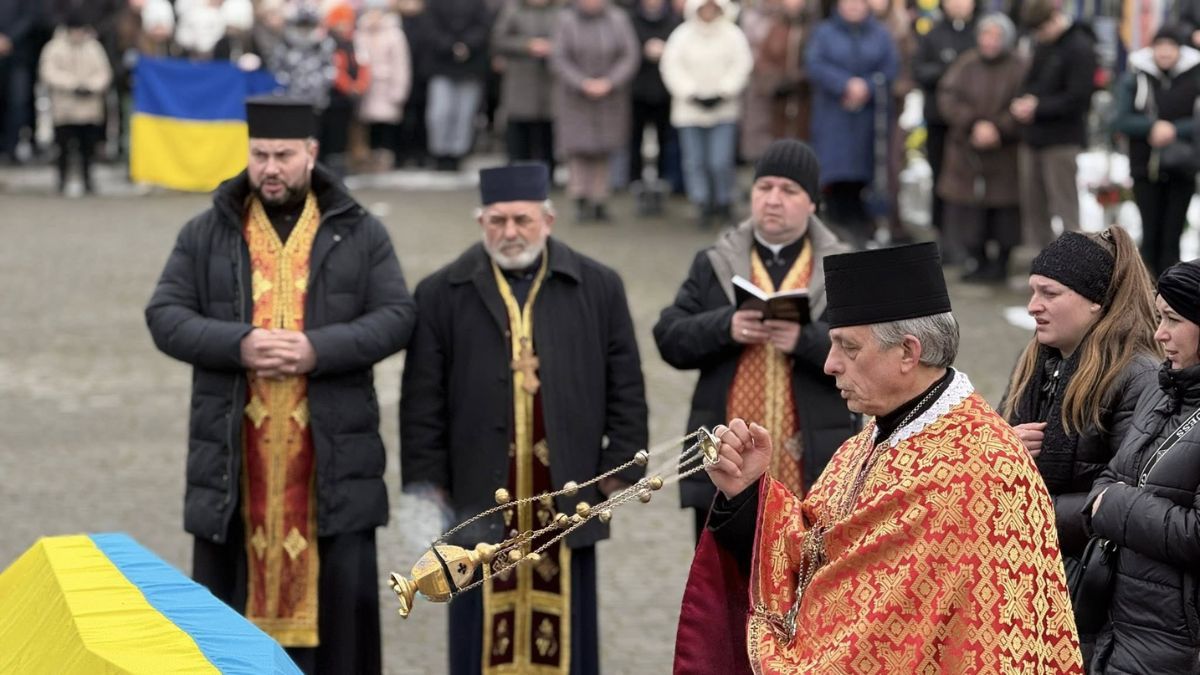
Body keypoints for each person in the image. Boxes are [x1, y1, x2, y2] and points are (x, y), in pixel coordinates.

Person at [673, 242, 1083, 673]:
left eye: (848, 348)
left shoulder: (981, 466)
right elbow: (814, 554)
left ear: (908, 352)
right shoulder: (870, 437)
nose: (830, 364)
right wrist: (747, 494)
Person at [145, 97, 416, 675]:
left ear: (311, 154)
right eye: (260, 155)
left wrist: (320, 349)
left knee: (340, 632)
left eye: (283, 156)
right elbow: (164, 315)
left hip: (333, 466)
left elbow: (397, 316)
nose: (270, 168)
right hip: (232, 471)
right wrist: (238, 344)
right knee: (228, 626)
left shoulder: (359, 231)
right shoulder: (208, 231)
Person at [401, 163, 648, 675]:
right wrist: (427, 484)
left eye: (522, 220)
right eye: (497, 221)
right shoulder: (441, 292)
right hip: (476, 492)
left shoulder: (599, 286)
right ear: (481, 222)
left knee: (567, 633)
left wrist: (622, 467)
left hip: (568, 489)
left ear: (548, 220)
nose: (509, 232)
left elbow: (626, 385)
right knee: (477, 630)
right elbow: (421, 401)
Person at [654, 139, 857, 541]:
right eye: (764, 187)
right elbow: (669, 337)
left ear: (812, 203)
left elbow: (868, 353)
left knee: (809, 574)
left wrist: (805, 339)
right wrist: (725, 327)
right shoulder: (715, 260)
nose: (773, 200)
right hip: (725, 458)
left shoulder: (843, 266)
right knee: (724, 572)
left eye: (789, 190)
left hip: (816, 458)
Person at [1001, 228, 1159, 656]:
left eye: (1050, 293)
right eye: (1033, 291)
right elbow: (996, 451)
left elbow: (1125, 497)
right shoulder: (1034, 362)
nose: (1033, 306)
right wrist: (1000, 448)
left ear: (1096, 301)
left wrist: (1030, 516)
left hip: (1095, 591)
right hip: (1032, 572)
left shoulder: (1138, 377)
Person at [1085, 259, 1200, 673]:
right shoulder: (1161, 388)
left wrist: (1115, 507)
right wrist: (1107, 499)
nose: (1159, 333)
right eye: (1158, 317)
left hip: (1176, 641)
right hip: (1118, 621)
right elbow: (1109, 477)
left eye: (1173, 319)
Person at [935, 11, 1025, 282]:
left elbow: (1023, 103)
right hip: (967, 150)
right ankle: (977, 259)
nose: (990, 41)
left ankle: (1002, 262)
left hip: (1006, 152)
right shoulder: (966, 64)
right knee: (970, 211)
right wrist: (973, 124)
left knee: (1005, 212)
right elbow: (948, 97)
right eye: (986, 34)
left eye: (997, 36)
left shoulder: (1020, 66)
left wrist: (999, 127)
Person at [805, 0, 898, 244]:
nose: (854, 6)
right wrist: (844, 84)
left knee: (865, 168)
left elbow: (890, 67)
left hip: (868, 117)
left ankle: (863, 225)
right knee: (836, 169)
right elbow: (815, 65)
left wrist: (867, 86)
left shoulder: (880, 34)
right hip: (833, 114)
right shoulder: (824, 33)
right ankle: (838, 223)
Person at [1112, 26, 1200, 278]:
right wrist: (1151, 127)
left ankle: (1171, 290)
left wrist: (1173, 130)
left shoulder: (1194, 77)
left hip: (1182, 166)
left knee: (1173, 235)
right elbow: (1120, 119)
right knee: (1150, 234)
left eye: (1170, 46)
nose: (1165, 52)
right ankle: (1146, 288)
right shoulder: (1135, 77)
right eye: (1160, 45)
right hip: (1145, 166)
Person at [659, 0, 753, 228]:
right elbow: (671, 66)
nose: (708, 11)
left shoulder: (733, 35)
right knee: (695, 161)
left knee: (720, 160)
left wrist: (724, 92)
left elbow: (742, 64)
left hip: (724, 109)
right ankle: (701, 202)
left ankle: (724, 200)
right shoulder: (682, 35)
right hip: (689, 110)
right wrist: (690, 93)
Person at [1012, 0, 1096, 248]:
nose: (1039, 35)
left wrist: (1038, 107)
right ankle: (1039, 262)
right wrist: (1023, 102)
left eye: (1041, 29)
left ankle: (1074, 263)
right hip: (1033, 137)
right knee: (1034, 208)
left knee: (1065, 207)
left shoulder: (1080, 47)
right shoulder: (1043, 45)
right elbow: (1029, 82)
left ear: (1054, 19)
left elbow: (1078, 98)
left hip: (1062, 140)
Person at [550, 0, 640, 222]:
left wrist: (610, 82)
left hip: (610, 97)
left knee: (604, 149)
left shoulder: (618, 19)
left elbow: (629, 55)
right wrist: (582, 83)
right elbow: (559, 57)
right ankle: (580, 197)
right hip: (575, 97)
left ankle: (600, 199)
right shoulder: (566, 20)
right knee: (578, 149)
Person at [912, 0, 976, 243]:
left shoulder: (979, 32)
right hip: (939, 120)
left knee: (968, 177)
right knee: (940, 176)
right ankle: (941, 233)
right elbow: (919, 70)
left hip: (970, 121)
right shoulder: (933, 35)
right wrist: (950, 70)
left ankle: (970, 236)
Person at [38, 11, 112, 195]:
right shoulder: (54, 47)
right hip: (65, 108)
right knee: (63, 147)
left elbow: (104, 72)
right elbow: (48, 72)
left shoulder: (94, 48)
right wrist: (72, 85)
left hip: (89, 108)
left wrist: (91, 86)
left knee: (88, 148)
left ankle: (88, 179)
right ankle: (62, 179)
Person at [491, 0, 560, 174]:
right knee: (519, 135)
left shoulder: (559, 13)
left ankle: (547, 176)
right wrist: (526, 45)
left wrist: (552, 47)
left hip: (550, 84)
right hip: (520, 82)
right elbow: (498, 39)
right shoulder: (513, 11)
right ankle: (517, 176)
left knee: (546, 136)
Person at [425, 0, 491, 172]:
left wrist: (467, 45)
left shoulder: (478, 3)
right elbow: (431, 28)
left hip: (471, 65)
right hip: (441, 63)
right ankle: (440, 152)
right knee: (440, 112)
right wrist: (450, 46)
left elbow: (484, 27)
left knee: (465, 114)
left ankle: (458, 153)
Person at [627, 0, 681, 195]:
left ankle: (664, 180)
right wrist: (643, 51)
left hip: (665, 91)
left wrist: (666, 51)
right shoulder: (631, 20)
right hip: (637, 90)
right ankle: (634, 180)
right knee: (634, 139)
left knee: (665, 139)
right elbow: (625, 50)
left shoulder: (674, 21)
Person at [356, 0, 411, 173]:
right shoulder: (360, 33)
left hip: (387, 86)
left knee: (387, 123)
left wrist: (399, 90)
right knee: (370, 125)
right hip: (367, 87)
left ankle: (387, 156)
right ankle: (371, 157)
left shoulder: (394, 35)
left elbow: (401, 65)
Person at [321, 4, 371, 177]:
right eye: (340, 22)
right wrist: (348, 87)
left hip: (351, 99)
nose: (343, 26)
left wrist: (360, 85)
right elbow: (333, 69)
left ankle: (345, 164)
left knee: (350, 132)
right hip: (334, 98)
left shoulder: (355, 42)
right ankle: (330, 166)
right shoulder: (328, 43)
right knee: (332, 133)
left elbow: (364, 65)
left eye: (347, 22)